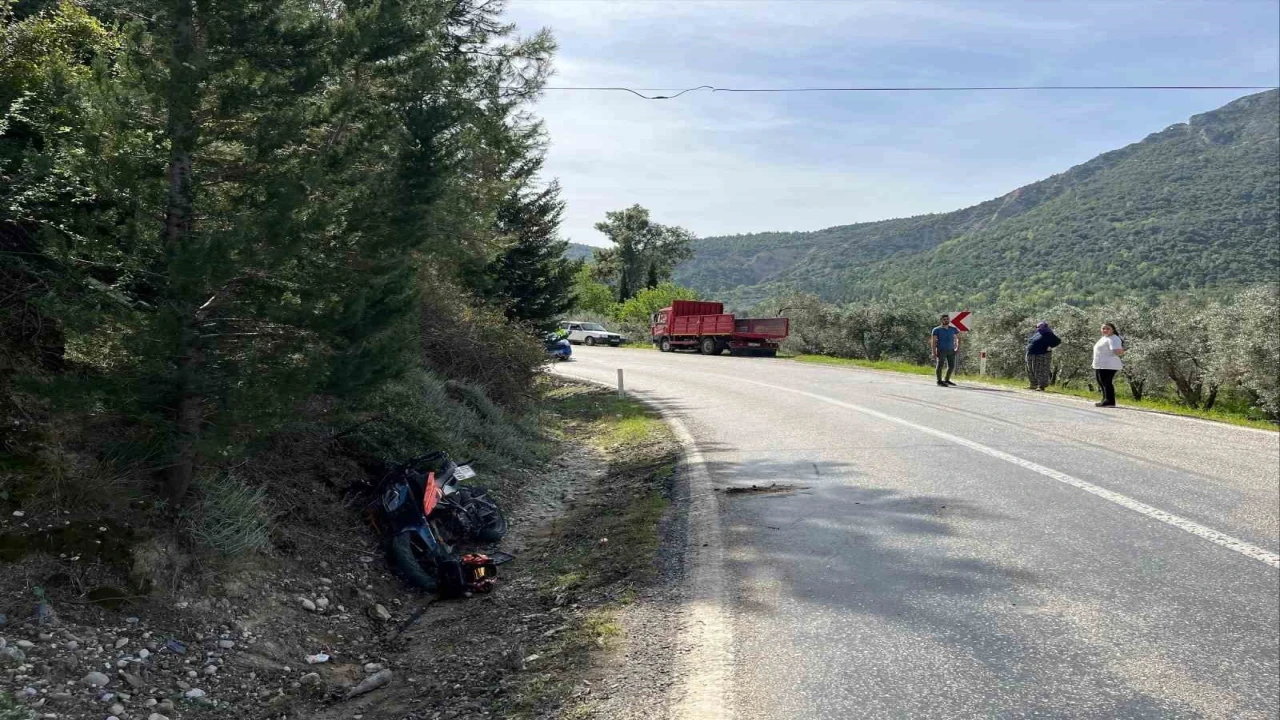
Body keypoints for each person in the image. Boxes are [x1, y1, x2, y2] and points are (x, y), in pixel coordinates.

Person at [1092, 322, 1126, 407]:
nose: (1105, 330)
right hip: (1101, 364)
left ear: (1113, 330)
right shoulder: (1104, 338)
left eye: (1108, 328)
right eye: (1103, 328)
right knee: (1101, 382)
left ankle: (1110, 401)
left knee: (1106, 382)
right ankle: (1105, 400)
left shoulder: (1114, 338)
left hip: (1109, 364)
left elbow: (1117, 351)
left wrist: (1122, 350)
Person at [1025, 321, 1061, 391]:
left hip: (1042, 354)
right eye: (1037, 327)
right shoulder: (1038, 332)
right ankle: (1033, 385)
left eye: (1040, 327)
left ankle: (1041, 386)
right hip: (1031, 353)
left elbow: (1058, 341)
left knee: (1040, 370)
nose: (1038, 328)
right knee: (1030, 369)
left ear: (1045, 327)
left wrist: (1050, 347)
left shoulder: (1049, 334)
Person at [930, 314, 960, 387]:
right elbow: (933, 341)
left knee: (951, 366)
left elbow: (958, 338)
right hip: (941, 350)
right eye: (944, 319)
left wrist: (957, 348)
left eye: (947, 319)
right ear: (941, 320)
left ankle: (946, 380)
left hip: (951, 350)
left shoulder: (953, 329)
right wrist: (933, 351)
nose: (946, 320)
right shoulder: (936, 330)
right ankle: (939, 381)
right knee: (940, 365)